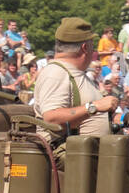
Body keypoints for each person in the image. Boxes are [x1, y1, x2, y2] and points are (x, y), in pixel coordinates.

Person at [31, 17, 117, 146]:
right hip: (72, 160)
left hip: (90, 156)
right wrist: (94, 107)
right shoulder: (56, 73)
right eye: (92, 46)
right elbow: (52, 118)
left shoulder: (75, 73)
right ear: (84, 48)